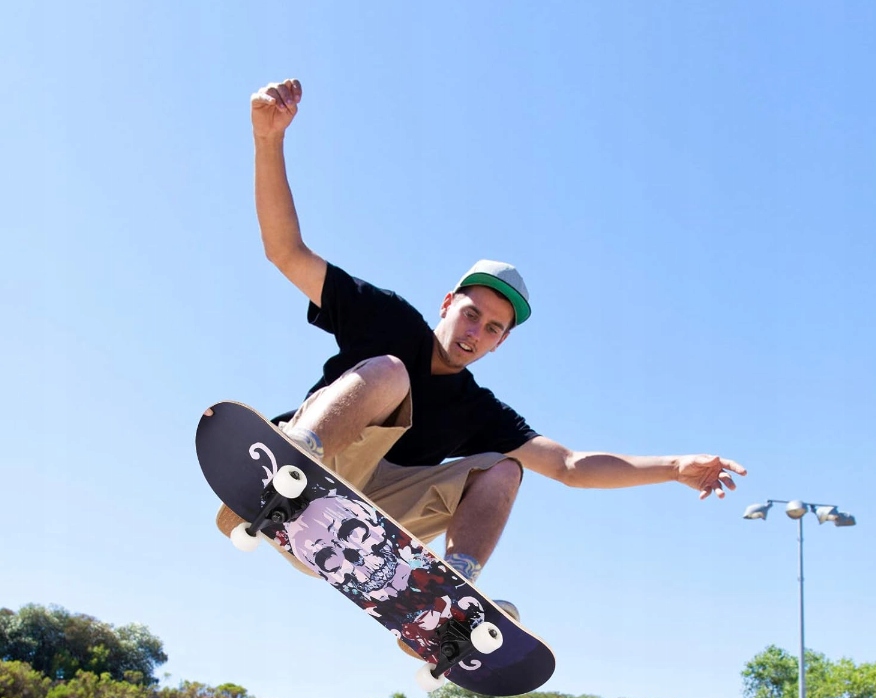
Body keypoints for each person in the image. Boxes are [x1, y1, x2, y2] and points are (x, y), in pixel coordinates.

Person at [248, 78, 747, 620]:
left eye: (491, 329)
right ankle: (294, 457)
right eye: (471, 314)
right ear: (448, 303)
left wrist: (673, 466)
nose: (474, 333)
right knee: (392, 371)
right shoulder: (386, 317)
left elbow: (571, 465)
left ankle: (450, 593)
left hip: (359, 522)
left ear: (501, 342)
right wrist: (269, 140)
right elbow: (286, 251)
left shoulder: (478, 410)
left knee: (505, 469)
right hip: (301, 474)